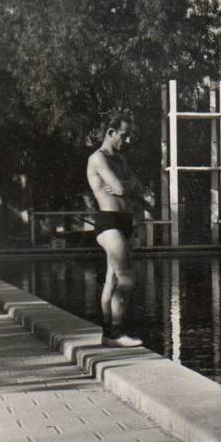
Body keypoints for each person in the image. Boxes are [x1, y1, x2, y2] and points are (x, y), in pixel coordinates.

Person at [86, 110, 149, 347]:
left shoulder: (119, 160)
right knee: (128, 278)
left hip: (123, 222)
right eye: (124, 135)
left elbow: (137, 188)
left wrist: (129, 185)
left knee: (113, 279)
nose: (128, 140)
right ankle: (116, 333)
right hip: (108, 221)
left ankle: (107, 331)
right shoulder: (98, 159)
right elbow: (120, 189)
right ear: (110, 133)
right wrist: (128, 185)